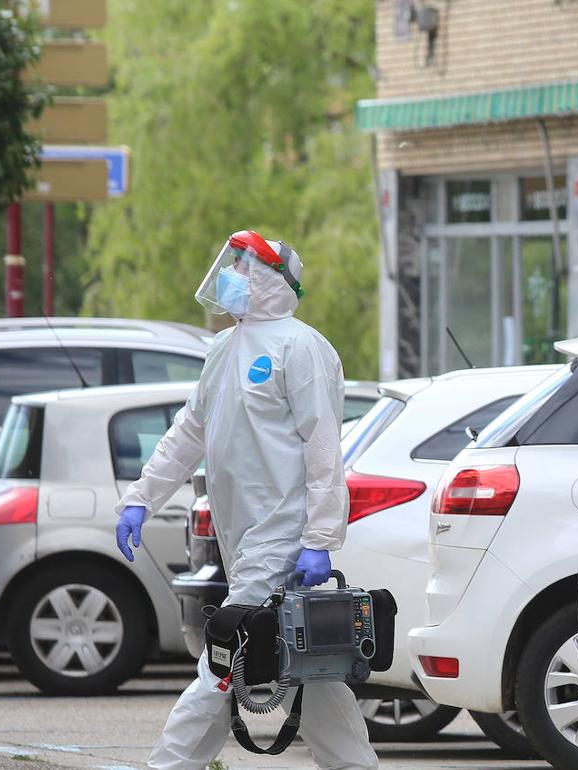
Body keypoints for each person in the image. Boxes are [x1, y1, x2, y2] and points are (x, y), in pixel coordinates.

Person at [114, 230, 378, 770]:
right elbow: (188, 433)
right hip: (244, 539)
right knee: (312, 668)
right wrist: (141, 497)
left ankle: (168, 765)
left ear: (271, 279)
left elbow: (324, 447)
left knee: (224, 658)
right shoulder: (224, 349)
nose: (232, 275)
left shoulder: (301, 347)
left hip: (282, 536)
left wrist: (320, 539)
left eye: (244, 265)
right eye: (230, 263)